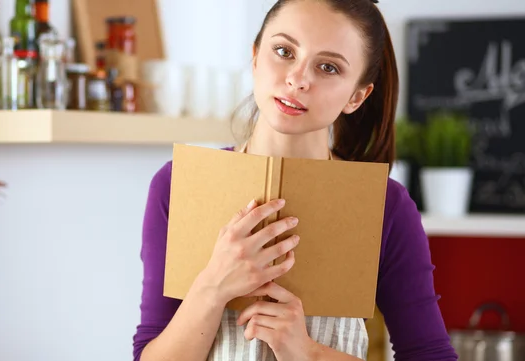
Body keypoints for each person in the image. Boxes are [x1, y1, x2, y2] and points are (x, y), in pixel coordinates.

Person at [132, 0, 459, 360]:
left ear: (357, 96)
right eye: (284, 51)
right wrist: (212, 287)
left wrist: (308, 352)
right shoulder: (179, 184)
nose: (298, 79)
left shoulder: (385, 205)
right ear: (256, 57)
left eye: (328, 67)